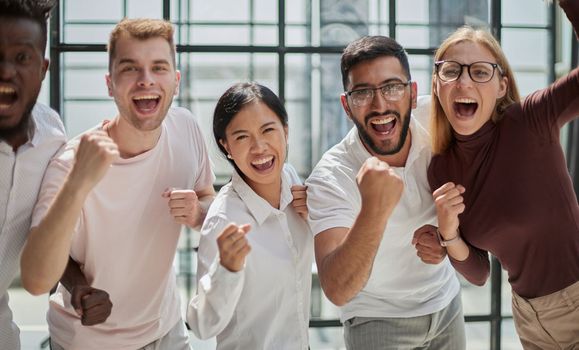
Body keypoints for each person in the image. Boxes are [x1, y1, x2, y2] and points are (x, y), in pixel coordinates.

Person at [19, 18, 215, 350]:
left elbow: (208, 197)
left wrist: (198, 213)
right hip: (86, 342)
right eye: (130, 69)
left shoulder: (186, 128)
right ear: (110, 84)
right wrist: (78, 286)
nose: (146, 80)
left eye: (159, 67)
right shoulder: (71, 162)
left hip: (166, 332)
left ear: (176, 80)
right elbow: (38, 277)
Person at [427, 1, 579, 349]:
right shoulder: (441, 168)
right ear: (437, 84)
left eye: (480, 72)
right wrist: (448, 231)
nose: (464, 81)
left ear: (500, 86)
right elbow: (479, 273)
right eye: (451, 70)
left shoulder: (528, 121)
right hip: (528, 318)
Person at [305, 35, 465, 349]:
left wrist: (449, 237)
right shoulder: (331, 175)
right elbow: (337, 289)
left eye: (392, 87)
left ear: (413, 93)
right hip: (375, 318)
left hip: (446, 303)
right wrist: (374, 210)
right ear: (346, 106)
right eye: (362, 92)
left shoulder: (440, 123)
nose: (380, 105)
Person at [186, 82, 313, 350]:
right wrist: (227, 269)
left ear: (286, 131)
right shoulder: (224, 219)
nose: (259, 147)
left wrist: (315, 215)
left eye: (268, 130)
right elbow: (203, 325)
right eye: (242, 137)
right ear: (227, 146)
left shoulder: (292, 181)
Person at [0, 0, 66, 348]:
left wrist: (77, 282)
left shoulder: (52, 134)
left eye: (23, 57)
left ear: (42, 68)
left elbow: (51, 220)